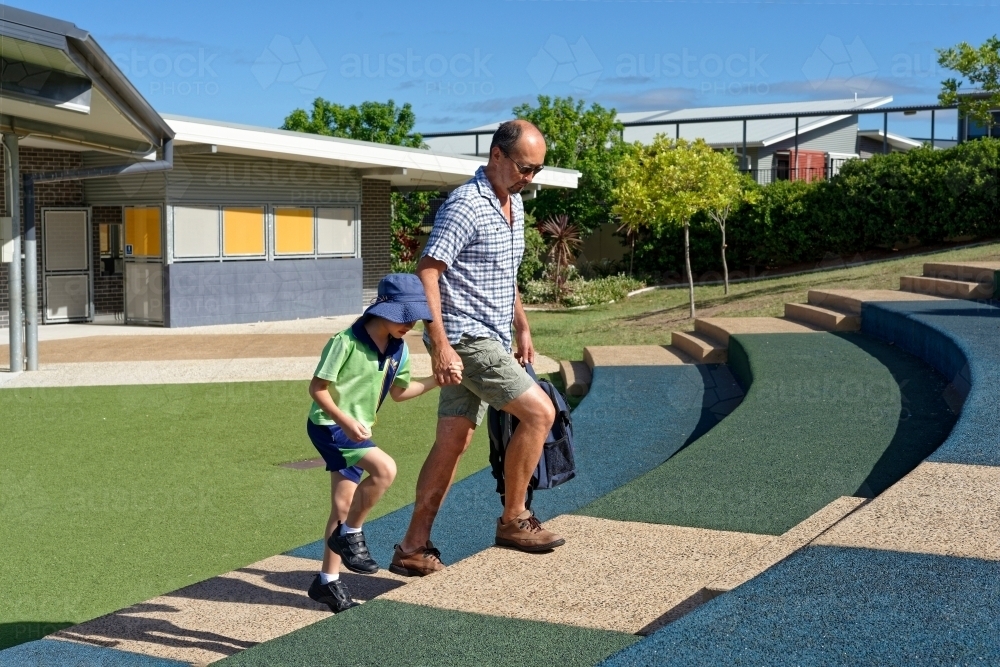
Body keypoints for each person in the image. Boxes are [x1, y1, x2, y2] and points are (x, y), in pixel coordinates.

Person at [390, 119, 565, 578]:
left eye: (537, 171)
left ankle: (412, 546)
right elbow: (428, 270)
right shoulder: (466, 204)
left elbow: (506, 277)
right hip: (465, 337)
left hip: (493, 333)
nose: (530, 178)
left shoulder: (515, 205)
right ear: (497, 156)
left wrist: (522, 327)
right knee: (540, 413)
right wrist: (440, 345)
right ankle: (514, 519)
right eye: (525, 168)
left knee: (453, 441)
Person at [305, 273, 441, 613]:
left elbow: (399, 393)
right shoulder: (345, 341)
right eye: (404, 314)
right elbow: (317, 389)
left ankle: (327, 582)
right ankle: (351, 533)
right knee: (384, 469)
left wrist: (436, 380)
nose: (410, 322)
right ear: (383, 309)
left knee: (341, 505)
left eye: (415, 315)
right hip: (329, 426)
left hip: (356, 431)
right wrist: (345, 420)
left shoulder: (398, 349)